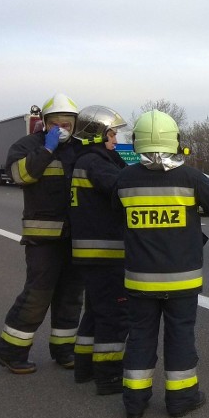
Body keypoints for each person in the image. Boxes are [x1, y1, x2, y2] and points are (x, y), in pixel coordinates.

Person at [114, 110, 209, 418]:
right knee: (180, 337)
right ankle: (181, 400)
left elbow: (116, 218)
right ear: (175, 141)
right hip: (182, 281)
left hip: (140, 281)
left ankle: (134, 404)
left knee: (140, 337)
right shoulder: (189, 177)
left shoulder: (124, 180)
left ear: (137, 141)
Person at [0, 92, 82, 374]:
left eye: (67, 122)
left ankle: (64, 350)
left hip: (74, 238)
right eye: (56, 122)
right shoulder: (26, 146)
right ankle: (12, 353)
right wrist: (46, 150)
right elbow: (21, 176)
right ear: (45, 122)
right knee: (37, 296)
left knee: (70, 297)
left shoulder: (79, 149)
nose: (62, 127)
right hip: (42, 240)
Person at [69, 105, 130, 394]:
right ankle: (108, 376)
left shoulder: (86, 160)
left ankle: (84, 368)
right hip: (105, 253)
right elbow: (123, 190)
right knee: (114, 316)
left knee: (94, 312)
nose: (115, 140)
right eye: (112, 134)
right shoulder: (97, 162)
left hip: (90, 253)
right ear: (97, 135)